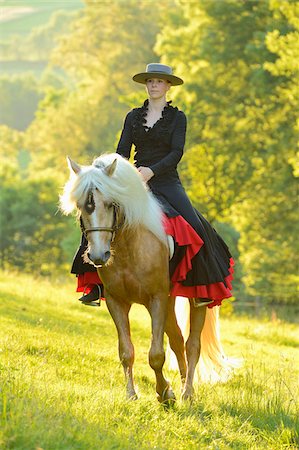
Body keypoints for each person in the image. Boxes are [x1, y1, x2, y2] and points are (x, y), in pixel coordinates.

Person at [71, 63, 234, 307]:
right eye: (150, 81)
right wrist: (117, 172)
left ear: (168, 86)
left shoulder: (178, 118)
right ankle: (95, 284)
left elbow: (177, 152)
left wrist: (152, 171)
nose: (154, 85)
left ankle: (201, 289)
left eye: (159, 81)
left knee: (196, 226)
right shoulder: (133, 116)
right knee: (98, 217)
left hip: (166, 180)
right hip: (133, 181)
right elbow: (122, 151)